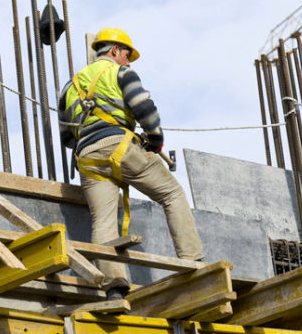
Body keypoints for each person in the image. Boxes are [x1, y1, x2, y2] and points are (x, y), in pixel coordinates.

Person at [58, 27, 203, 299]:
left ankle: (113, 287)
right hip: (121, 147)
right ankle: (193, 262)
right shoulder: (121, 73)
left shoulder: (69, 86)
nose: (128, 61)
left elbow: (67, 137)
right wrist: (155, 141)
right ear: (114, 51)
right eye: (127, 55)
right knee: (172, 194)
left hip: (87, 158)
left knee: (103, 222)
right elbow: (145, 109)